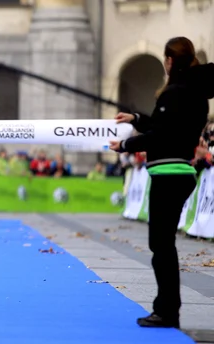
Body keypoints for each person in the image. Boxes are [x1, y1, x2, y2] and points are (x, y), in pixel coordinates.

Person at [109, 36, 214, 329]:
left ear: (169, 61)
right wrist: (137, 118)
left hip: (169, 175)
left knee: (162, 245)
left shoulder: (176, 93)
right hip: (178, 173)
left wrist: (125, 145)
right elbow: (164, 126)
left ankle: (167, 311)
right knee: (163, 244)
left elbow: (162, 136)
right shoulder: (194, 92)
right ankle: (168, 309)